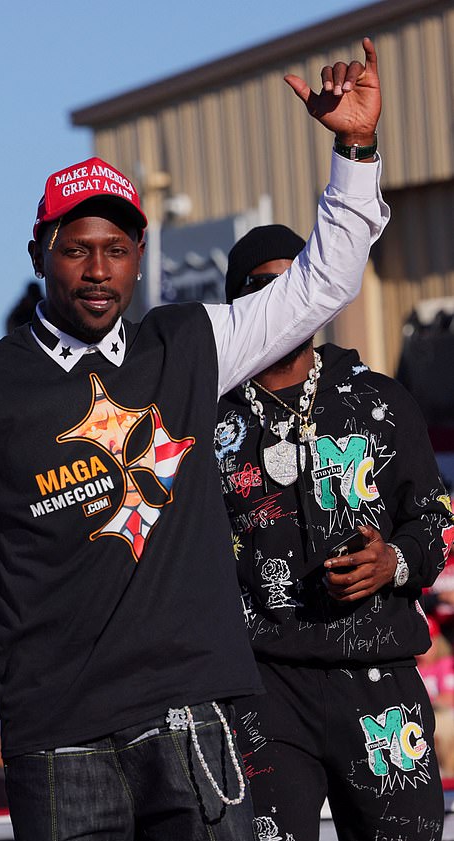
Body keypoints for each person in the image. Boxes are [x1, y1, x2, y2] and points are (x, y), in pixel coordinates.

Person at [0, 39, 388, 841]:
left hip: (191, 713)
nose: (98, 270)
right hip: (57, 737)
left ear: (139, 258)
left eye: (117, 250)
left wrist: (355, 150)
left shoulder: (187, 343)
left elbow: (322, 283)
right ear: (37, 253)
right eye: (77, 248)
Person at [215, 223, 454, 840]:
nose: (284, 301)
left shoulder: (379, 400)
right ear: (235, 304)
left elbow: (434, 520)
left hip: (380, 678)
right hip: (261, 687)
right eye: (262, 288)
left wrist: (394, 560)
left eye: (297, 283)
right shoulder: (207, 421)